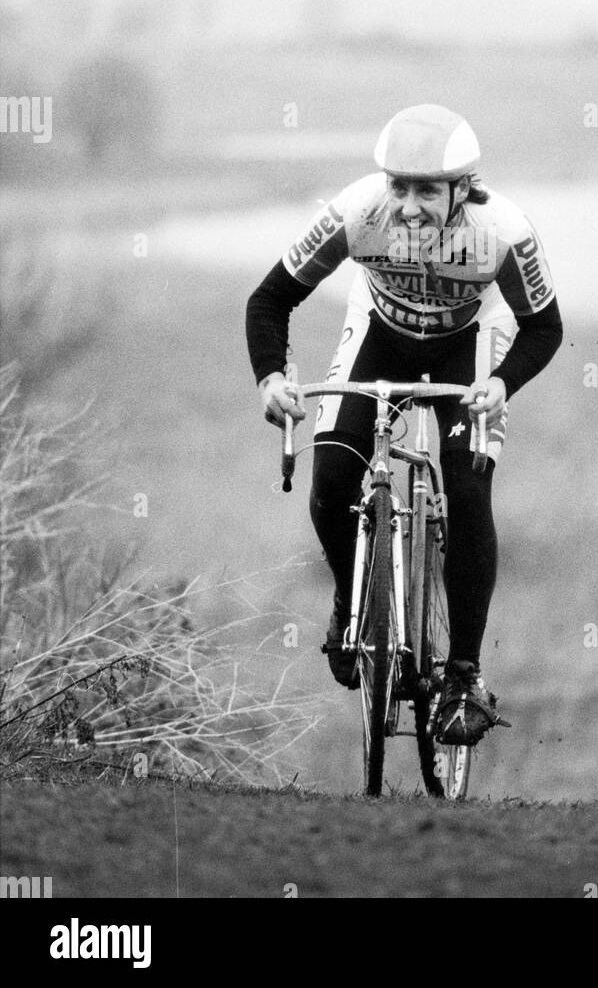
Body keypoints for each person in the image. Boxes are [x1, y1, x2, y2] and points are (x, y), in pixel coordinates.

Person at [246, 103, 563, 744]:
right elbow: (270, 297)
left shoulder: (503, 231)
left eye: (426, 190)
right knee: (332, 475)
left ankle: (463, 676)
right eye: (400, 187)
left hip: (469, 343)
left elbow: (545, 327)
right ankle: (350, 602)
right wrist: (272, 379)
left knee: (469, 489)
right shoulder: (356, 212)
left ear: (463, 189)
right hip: (380, 335)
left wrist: (501, 385)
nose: (410, 205)